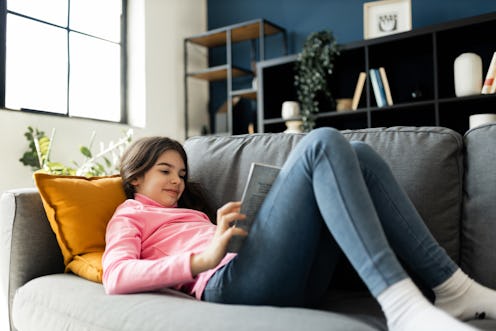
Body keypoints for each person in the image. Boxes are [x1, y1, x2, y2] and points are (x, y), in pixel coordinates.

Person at [103, 128, 496, 331]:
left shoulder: (190, 213)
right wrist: (200, 260)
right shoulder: (129, 214)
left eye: (182, 173)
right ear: (135, 176)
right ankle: (401, 305)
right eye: (165, 171)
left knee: (357, 154)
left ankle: (453, 288)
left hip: (285, 279)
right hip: (229, 285)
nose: (177, 180)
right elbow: (115, 275)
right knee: (322, 141)